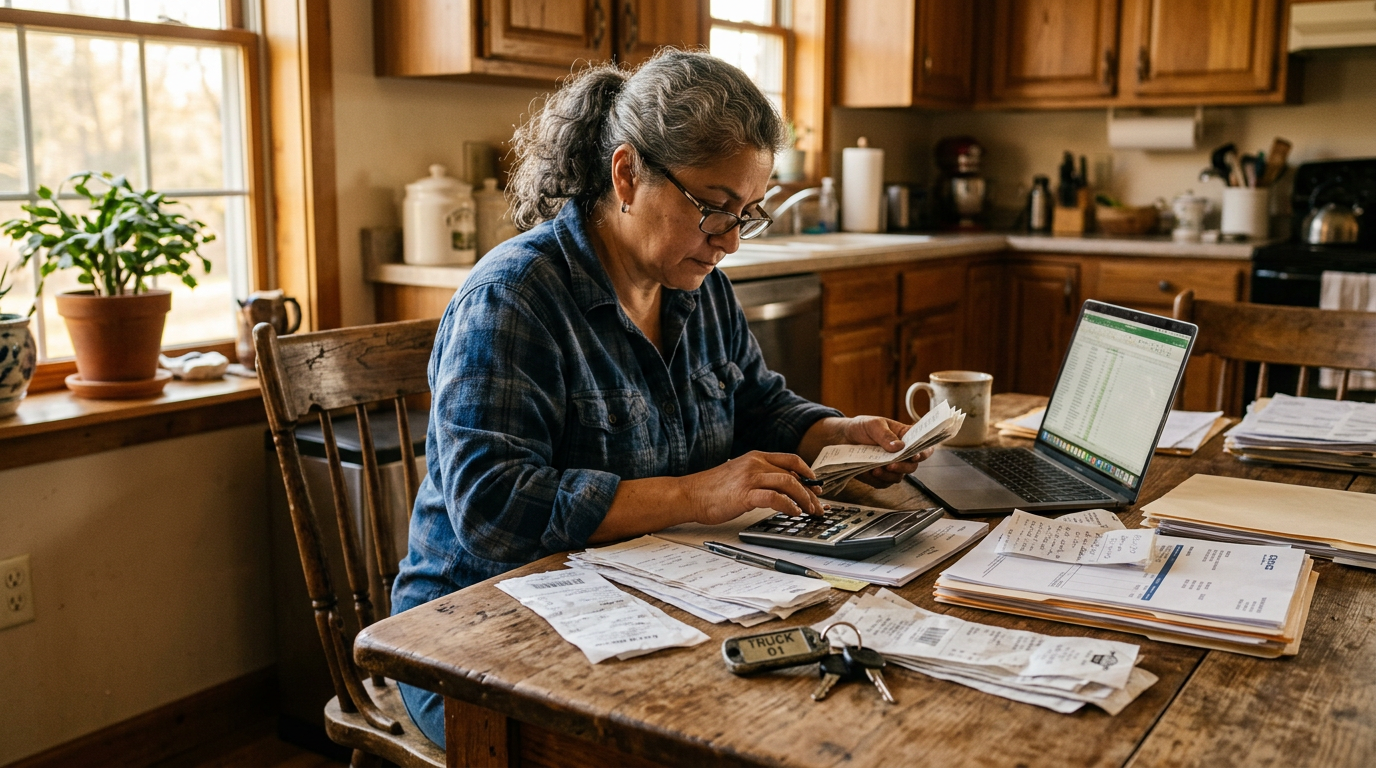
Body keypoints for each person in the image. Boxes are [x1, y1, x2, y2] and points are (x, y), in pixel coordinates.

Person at [390, 49, 933, 746]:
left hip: (648, 597)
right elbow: (493, 508)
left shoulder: (699, 289)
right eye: (714, 209)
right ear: (626, 174)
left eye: (748, 214)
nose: (730, 242)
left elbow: (759, 404)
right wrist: (695, 495)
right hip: (480, 636)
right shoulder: (515, 298)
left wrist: (836, 432)